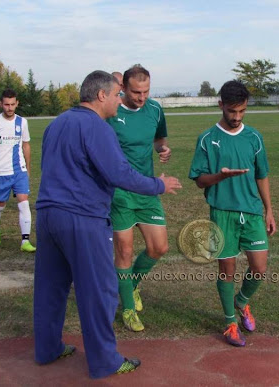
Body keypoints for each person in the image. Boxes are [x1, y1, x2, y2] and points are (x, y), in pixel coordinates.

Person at [33, 70, 181, 379]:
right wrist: (158, 185)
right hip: (82, 218)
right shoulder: (97, 127)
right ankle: (105, 361)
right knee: (99, 290)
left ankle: (47, 348)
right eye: (117, 95)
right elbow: (119, 174)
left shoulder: (56, 123)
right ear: (101, 95)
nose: (121, 99)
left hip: (47, 217)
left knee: (50, 287)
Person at [189, 80, 276, 347]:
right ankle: (230, 322)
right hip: (222, 213)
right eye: (232, 111)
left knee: (259, 269)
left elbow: (262, 175)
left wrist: (269, 210)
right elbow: (200, 181)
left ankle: (242, 302)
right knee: (226, 270)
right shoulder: (207, 138)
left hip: (251, 212)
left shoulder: (254, 137)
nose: (237, 117)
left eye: (242, 111)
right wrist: (220, 176)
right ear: (221, 105)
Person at [105, 65, 172, 332]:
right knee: (125, 251)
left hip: (147, 188)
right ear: (123, 88)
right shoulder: (112, 111)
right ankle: (129, 310)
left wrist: (162, 150)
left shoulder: (155, 109)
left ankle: (129, 286)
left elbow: (158, 139)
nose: (142, 97)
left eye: (146, 91)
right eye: (136, 92)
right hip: (119, 191)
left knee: (159, 247)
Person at [0, 89, 36, 253]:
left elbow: (26, 145)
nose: (10, 108)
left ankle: (25, 241)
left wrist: (28, 169)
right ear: (0, 104)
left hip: (19, 171)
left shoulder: (22, 122)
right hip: (0, 172)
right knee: (0, 205)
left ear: (17, 103)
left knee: (24, 203)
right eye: (6, 104)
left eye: (12, 104)